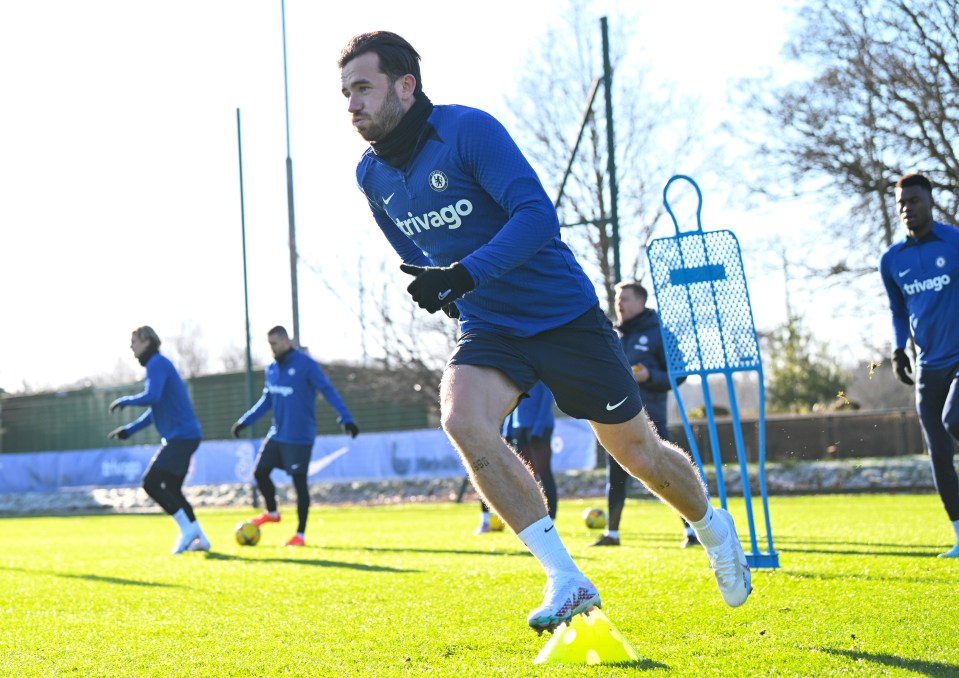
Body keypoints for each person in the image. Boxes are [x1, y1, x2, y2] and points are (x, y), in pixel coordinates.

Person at [338, 31, 751, 633]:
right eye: (346, 93)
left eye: (364, 88)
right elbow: (416, 255)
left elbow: (537, 216)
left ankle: (713, 529)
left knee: (637, 452)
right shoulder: (369, 176)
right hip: (489, 323)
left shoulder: (468, 131)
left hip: (563, 315)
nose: (351, 105)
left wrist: (464, 273)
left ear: (406, 86)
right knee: (462, 421)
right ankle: (566, 578)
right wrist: (444, 287)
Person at [879, 172, 959, 558]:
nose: (907, 208)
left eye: (913, 200)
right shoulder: (892, 261)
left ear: (929, 201)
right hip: (928, 366)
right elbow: (898, 312)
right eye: (901, 204)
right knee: (938, 453)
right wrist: (898, 350)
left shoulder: (956, 242)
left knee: (954, 419)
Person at [231, 326, 359, 547]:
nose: (272, 348)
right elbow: (267, 400)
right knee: (260, 472)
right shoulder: (271, 368)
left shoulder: (306, 365)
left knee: (299, 484)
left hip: (300, 437)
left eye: (275, 343)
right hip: (277, 435)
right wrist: (245, 420)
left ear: (286, 341)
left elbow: (328, 390)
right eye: (269, 344)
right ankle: (272, 512)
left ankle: (300, 534)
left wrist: (346, 418)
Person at [592, 282, 695, 548]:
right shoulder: (614, 334)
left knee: (666, 472)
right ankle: (612, 534)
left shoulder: (660, 333)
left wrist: (650, 376)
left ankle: (694, 530)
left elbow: (679, 373)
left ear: (641, 301)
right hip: (616, 416)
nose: (619, 304)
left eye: (624, 298)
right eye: (617, 299)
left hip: (652, 417)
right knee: (615, 474)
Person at [107, 325, 210, 554]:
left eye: (134, 341)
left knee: (151, 483)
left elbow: (152, 397)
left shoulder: (157, 364)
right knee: (172, 488)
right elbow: (156, 409)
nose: (131, 347)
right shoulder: (157, 365)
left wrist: (125, 400)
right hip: (185, 436)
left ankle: (187, 531)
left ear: (146, 342)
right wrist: (130, 430)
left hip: (182, 437)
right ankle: (199, 538)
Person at [476, 381, 558, 534]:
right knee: (524, 475)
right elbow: (515, 402)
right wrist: (508, 428)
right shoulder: (519, 373)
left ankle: (551, 518)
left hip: (539, 428)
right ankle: (532, 519)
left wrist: (538, 427)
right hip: (519, 428)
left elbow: (547, 399)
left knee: (543, 472)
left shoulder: (542, 372)